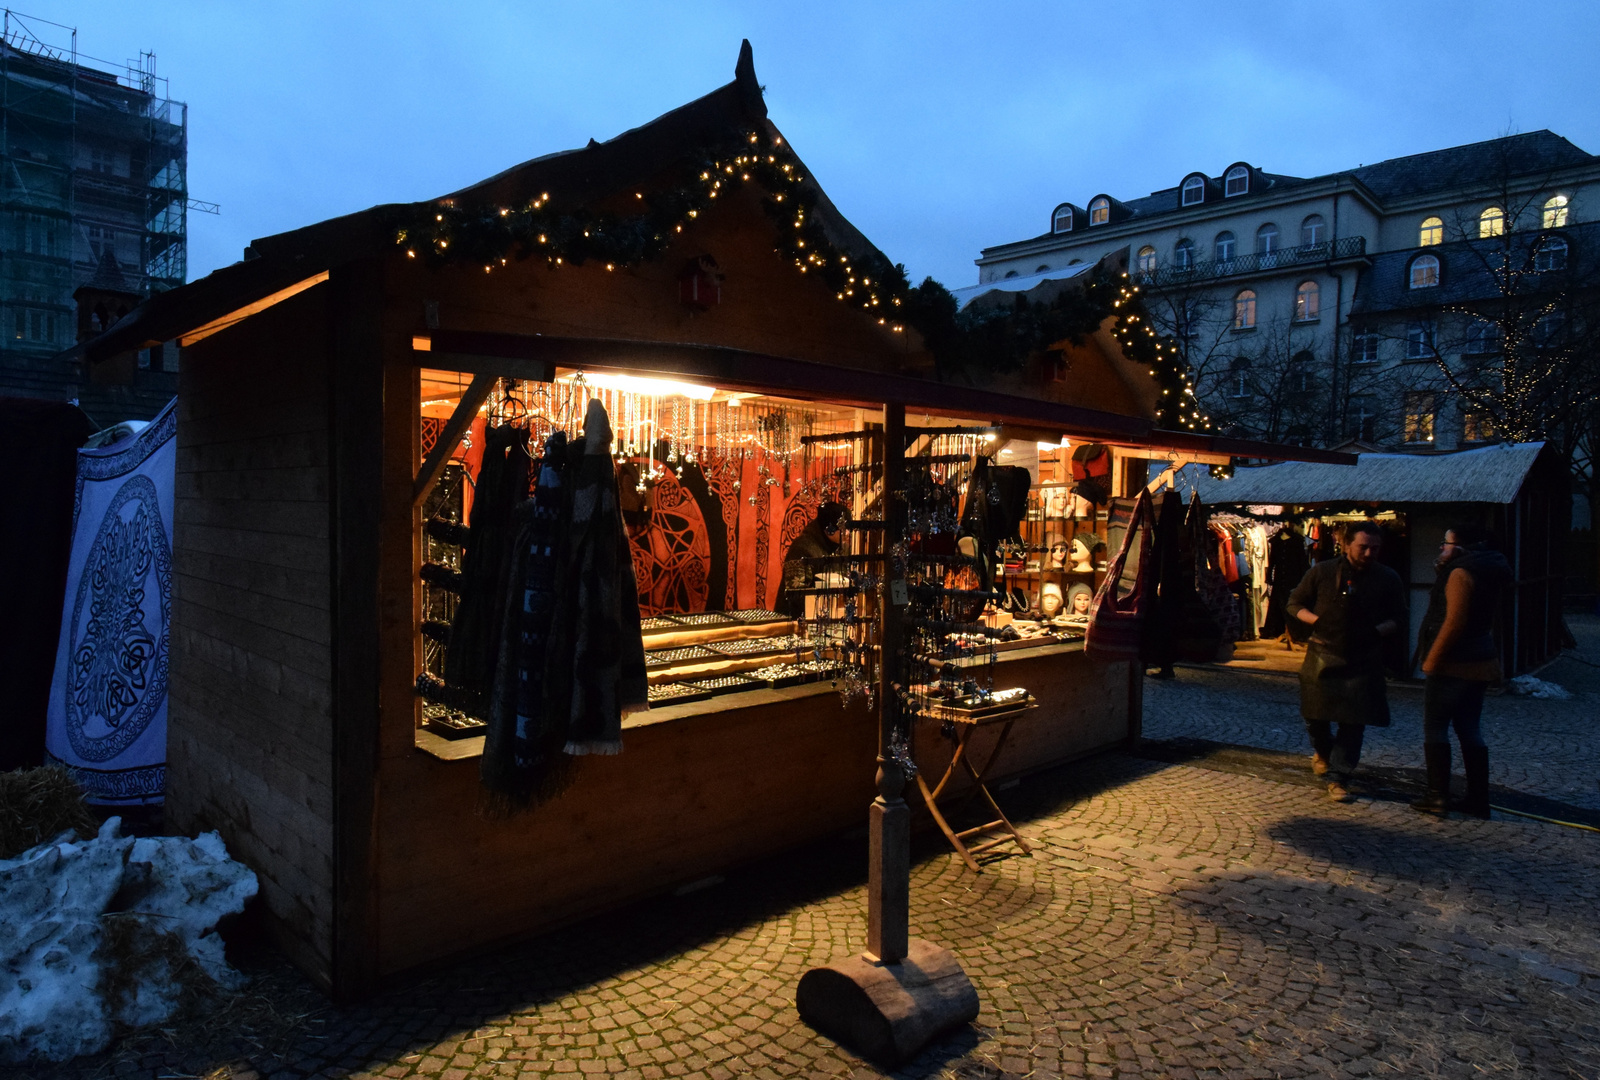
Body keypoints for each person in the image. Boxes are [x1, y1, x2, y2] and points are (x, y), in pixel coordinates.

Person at [1286, 521, 1405, 802]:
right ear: (1346, 545)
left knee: (1354, 721)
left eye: (1374, 548)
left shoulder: (1388, 578)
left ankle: (1339, 776)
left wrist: (1375, 632)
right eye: (1362, 547)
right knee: (1315, 714)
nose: (1368, 553)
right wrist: (1319, 622)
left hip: (1363, 656)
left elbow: (1399, 617)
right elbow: (1294, 603)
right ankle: (1324, 752)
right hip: (1323, 652)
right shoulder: (1322, 571)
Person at [1411, 523, 1511, 818]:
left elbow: (1453, 622)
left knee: (1436, 725)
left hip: (1454, 662)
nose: (1442, 548)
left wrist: (1432, 659)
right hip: (1481, 658)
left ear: (1463, 547)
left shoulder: (1460, 573)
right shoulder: (1490, 567)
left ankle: (1437, 795)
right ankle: (1478, 799)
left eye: (1447, 543)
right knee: (1469, 728)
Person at [775, 501, 848, 617]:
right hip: (795, 622)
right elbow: (796, 596)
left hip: (824, 619)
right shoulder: (802, 549)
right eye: (843, 529)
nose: (847, 533)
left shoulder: (840, 547)